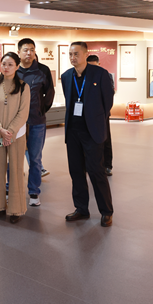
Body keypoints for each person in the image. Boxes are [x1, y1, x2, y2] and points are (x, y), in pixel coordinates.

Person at [61, 42, 114, 227]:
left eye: (76, 54)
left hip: (92, 132)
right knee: (76, 171)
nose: (73, 57)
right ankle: (81, 208)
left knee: (96, 171)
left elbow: (108, 102)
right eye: (70, 54)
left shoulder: (100, 74)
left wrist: (97, 120)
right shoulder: (66, 76)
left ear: (85, 54)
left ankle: (106, 211)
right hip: (73, 132)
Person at [0, 53, 30, 224]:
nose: (6, 67)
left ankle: (16, 209)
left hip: (16, 135)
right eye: (4, 64)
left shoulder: (23, 87)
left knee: (16, 171)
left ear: (17, 67)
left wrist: (10, 131)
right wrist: (0, 129)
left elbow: (23, 112)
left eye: (10, 64)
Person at [14, 38, 55, 206]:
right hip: (16, 124)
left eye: (32, 49)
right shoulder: (13, 69)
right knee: (13, 158)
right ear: (19, 52)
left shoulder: (43, 70)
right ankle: (12, 191)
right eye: (25, 50)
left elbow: (49, 93)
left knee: (35, 158)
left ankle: (33, 192)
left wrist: (40, 110)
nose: (29, 53)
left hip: (37, 121)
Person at [87, 54, 115, 176]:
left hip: (102, 114)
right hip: (88, 114)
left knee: (105, 139)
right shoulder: (84, 76)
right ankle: (90, 164)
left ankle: (107, 165)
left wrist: (104, 112)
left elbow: (109, 96)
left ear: (99, 64)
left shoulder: (105, 75)